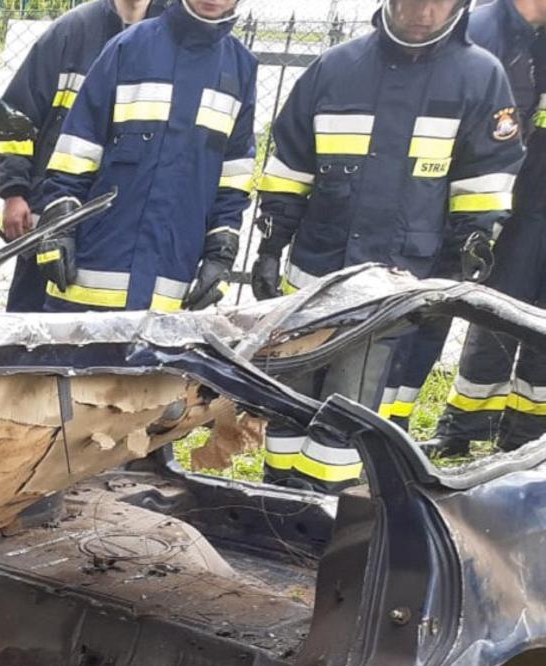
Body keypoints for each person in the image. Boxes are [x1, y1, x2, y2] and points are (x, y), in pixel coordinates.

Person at [250, 0, 522, 491]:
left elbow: (485, 179)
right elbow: (290, 164)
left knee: (359, 402)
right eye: (412, 2)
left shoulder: (479, 77)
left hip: (401, 282)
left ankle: (330, 507)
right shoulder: (335, 68)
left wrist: (470, 252)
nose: (423, 13)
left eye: (437, 3)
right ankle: (274, 494)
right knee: (291, 397)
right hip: (316, 273)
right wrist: (272, 245)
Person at [30, 0, 257, 314]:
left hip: (170, 287)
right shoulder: (129, 47)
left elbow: (233, 174)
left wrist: (221, 252)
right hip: (88, 279)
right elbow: (77, 148)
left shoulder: (241, 68)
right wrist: (59, 226)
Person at [0, 0, 163, 312]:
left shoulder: (171, 39)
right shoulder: (71, 32)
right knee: (29, 326)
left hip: (124, 224)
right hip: (51, 218)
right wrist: (14, 192)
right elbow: (16, 120)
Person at [429, 0, 546, 457]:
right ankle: (463, 425)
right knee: (499, 312)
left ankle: (525, 437)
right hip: (522, 203)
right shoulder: (496, 32)